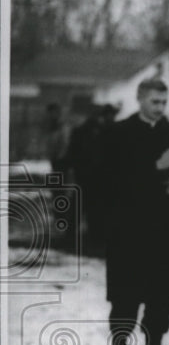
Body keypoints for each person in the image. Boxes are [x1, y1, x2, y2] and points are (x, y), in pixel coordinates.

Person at [104, 77, 169, 345]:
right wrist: (155, 168)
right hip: (128, 229)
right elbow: (111, 181)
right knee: (127, 294)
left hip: (163, 228)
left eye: (164, 102)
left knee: (161, 295)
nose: (160, 108)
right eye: (154, 102)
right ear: (139, 99)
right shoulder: (119, 133)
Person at [63, 102, 108, 253]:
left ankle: (73, 237)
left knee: (82, 208)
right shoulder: (102, 131)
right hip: (94, 178)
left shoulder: (82, 131)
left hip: (86, 177)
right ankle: (94, 237)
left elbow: (71, 155)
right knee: (92, 209)